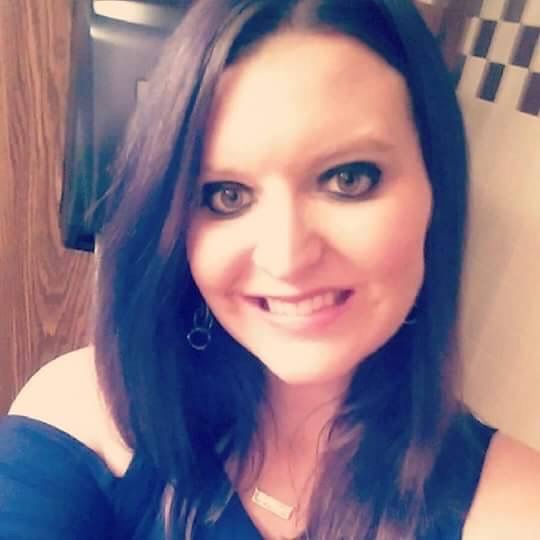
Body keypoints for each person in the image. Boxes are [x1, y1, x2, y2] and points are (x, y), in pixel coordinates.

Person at [1, 0, 540, 538]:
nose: (286, 258)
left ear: (435, 191)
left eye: (348, 178)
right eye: (227, 195)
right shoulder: (87, 418)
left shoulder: (514, 507)